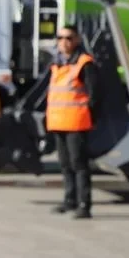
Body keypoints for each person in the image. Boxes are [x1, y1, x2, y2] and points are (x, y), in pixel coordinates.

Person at [45, 24, 97, 219]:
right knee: (65, 164)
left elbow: (95, 95)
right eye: (60, 38)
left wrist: (91, 117)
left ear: (77, 40)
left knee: (79, 164)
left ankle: (84, 204)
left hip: (76, 122)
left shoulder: (84, 63)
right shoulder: (56, 64)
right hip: (58, 122)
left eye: (68, 38)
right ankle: (70, 200)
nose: (64, 42)